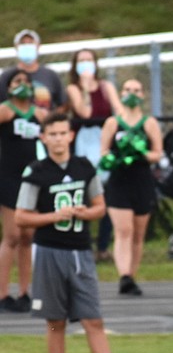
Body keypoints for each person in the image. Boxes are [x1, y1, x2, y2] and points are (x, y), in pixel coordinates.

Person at [14, 112, 119, 353]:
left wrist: (84, 213)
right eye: (53, 134)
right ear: (44, 138)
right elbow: (21, 216)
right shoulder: (36, 172)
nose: (58, 139)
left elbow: (100, 207)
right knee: (55, 320)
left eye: (63, 133)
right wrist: (53, 217)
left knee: (92, 318)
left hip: (80, 251)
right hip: (49, 250)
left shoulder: (84, 166)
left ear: (71, 135)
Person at [99, 78, 163, 296]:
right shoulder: (112, 123)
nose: (132, 93)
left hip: (141, 181)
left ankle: (131, 277)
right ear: (121, 92)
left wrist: (140, 152)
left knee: (137, 233)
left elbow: (157, 153)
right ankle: (124, 275)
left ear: (143, 95)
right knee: (123, 230)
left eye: (136, 90)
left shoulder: (149, 123)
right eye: (127, 89)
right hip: (119, 180)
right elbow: (104, 152)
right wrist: (115, 159)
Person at [65, 48, 122, 263]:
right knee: (86, 193)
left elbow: (118, 110)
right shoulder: (73, 88)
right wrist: (87, 89)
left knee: (106, 194)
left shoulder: (106, 87)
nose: (86, 64)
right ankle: (84, 243)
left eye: (89, 60)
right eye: (82, 61)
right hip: (83, 144)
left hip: (103, 141)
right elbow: (85, 113)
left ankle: (103, 246)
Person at [0, 69, 46, 313]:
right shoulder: (6, 110)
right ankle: (3, 293)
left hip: (31, 179)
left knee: (28, 237)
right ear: (8, 87)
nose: (23, 85)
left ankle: (25, 292)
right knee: (12, 236)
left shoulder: (39, 114)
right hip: (8, 179)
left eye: (27, 82)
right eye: (17, 82)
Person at [0, 29, 66, 111]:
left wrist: (50, 120)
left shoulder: (51, 75)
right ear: (16, 47)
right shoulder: (6, 76)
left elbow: (62, 104)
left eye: (30, 42)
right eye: (23, 43)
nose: (27, 46)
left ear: (38, 46)